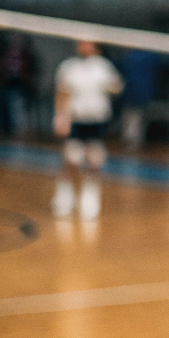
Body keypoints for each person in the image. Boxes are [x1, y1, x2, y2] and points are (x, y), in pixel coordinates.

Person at [52, 40, 123, 220]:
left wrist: (110, 88)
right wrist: (61, 117)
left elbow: (117, 87)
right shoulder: (70, 67)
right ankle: (64, 196)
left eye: (87, 44)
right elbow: (62, 92)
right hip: (77, 119)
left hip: (97, 121)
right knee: (72, 158)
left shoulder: (103, 67)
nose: (82, 46)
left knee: (94, 160)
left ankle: (89, 198)